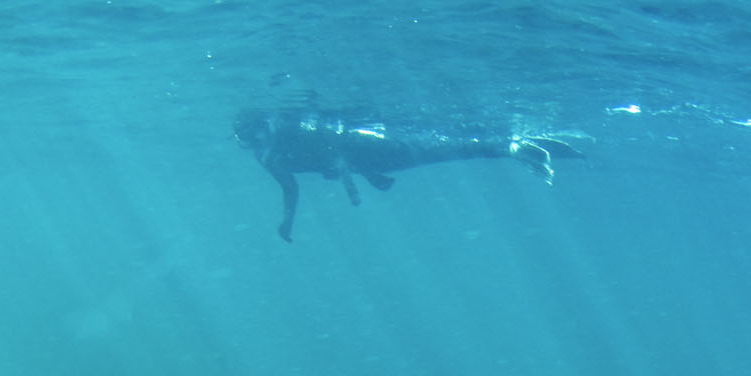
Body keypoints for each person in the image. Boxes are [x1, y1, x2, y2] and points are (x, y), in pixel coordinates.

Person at [233, 109, 582, 242]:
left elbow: (295, 187)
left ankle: (513, 147)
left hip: (371, 154)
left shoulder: (272, 155)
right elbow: (330, 157)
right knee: (441, 148)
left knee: (440, 151)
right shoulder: (283, 143)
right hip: (370, 149)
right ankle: (512, 146)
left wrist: (287, 221)